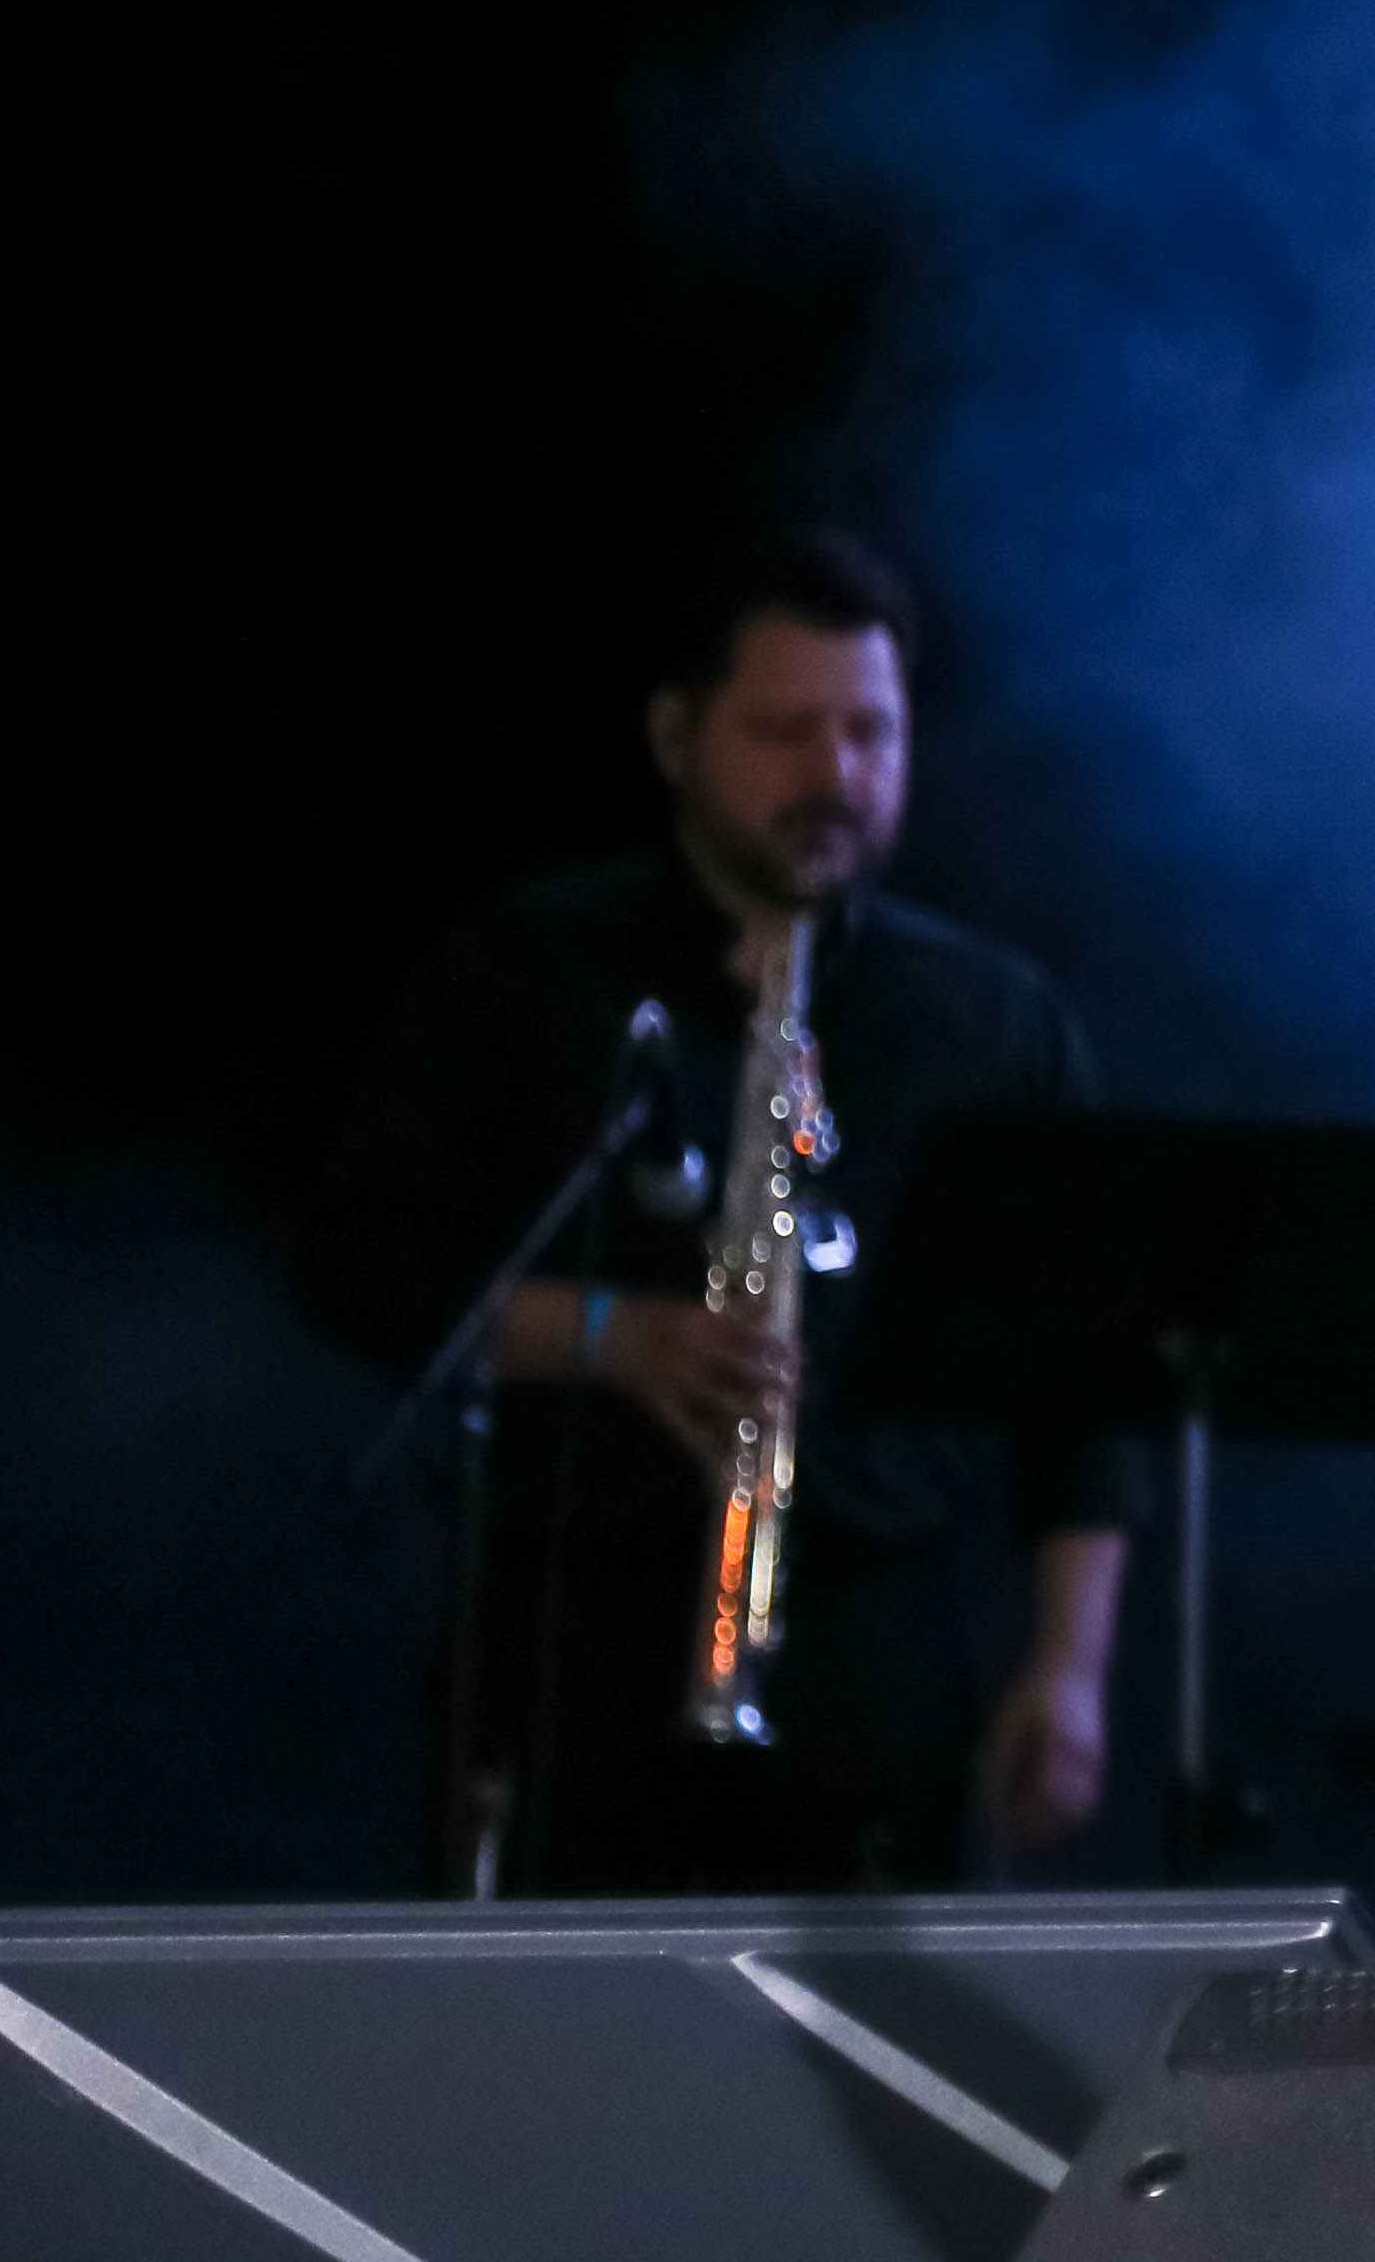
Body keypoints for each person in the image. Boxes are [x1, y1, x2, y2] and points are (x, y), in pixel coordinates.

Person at [303, 532, 1128, 1891]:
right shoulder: (529, 967)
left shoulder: (991, 1023)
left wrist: (1071, 1666)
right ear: (677, 737)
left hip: (876, 1658)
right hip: (576, 1640)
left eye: (869, 734)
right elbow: (355, 1265)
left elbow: (1085, 1385)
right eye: (786, 733)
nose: (836, 777)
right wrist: (610, 1336)